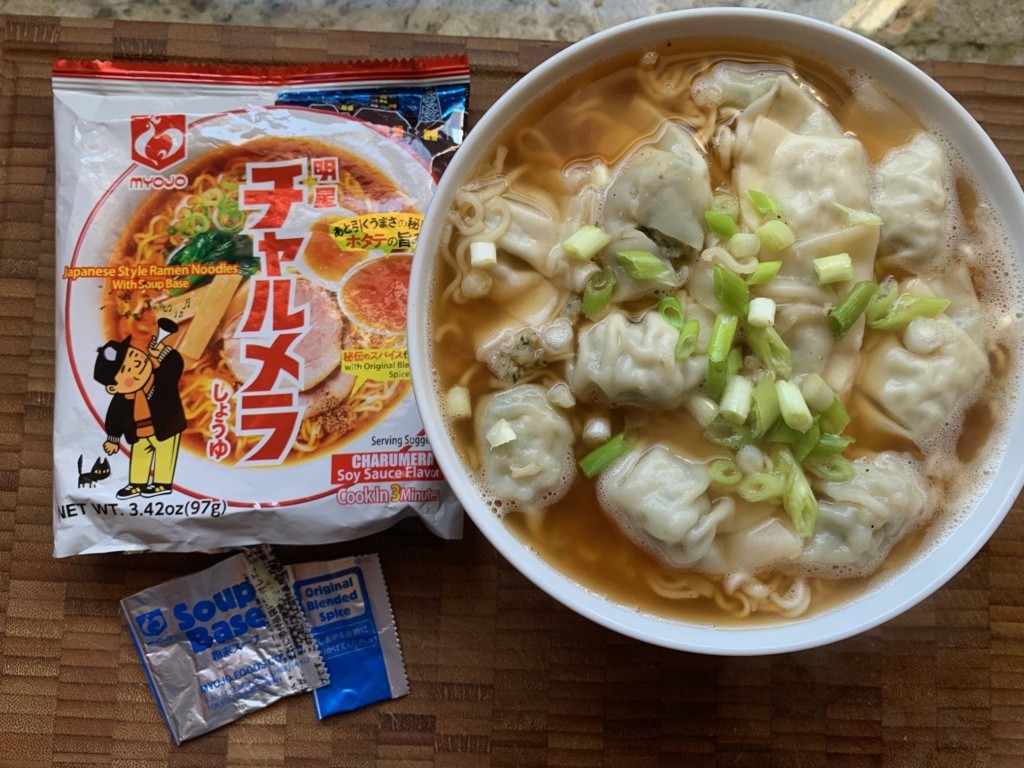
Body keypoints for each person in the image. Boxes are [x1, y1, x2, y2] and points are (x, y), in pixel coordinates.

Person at [93, 319, 185, 499]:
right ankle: (136, 484)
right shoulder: (122, 399)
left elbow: (175, 368)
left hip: (167, 426)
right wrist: (113, 439)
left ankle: (162, 484)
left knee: (165, 455)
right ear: (113, 388)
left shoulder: (160, 379)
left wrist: (163, 354)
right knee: (139, 457)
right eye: (130, 369)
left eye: (137, 358)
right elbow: (115, 417)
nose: (139, 365)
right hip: (139, 431)